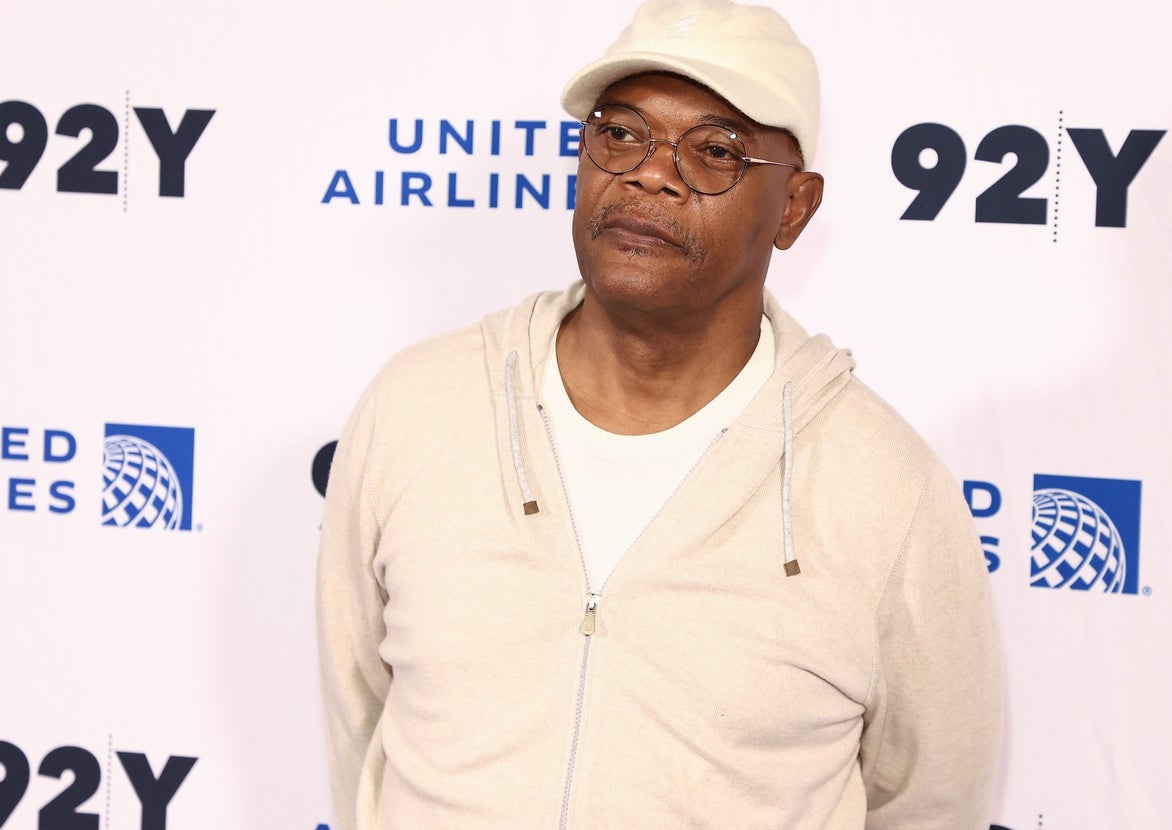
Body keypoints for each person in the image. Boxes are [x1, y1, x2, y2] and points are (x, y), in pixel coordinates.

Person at [316, 1, 1003, 828]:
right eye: (620, 133)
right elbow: (361, 725)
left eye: (715, 151)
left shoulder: (886, 488)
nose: (650, 174)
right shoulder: (416, 407)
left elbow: (934, 800)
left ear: (795, 208)